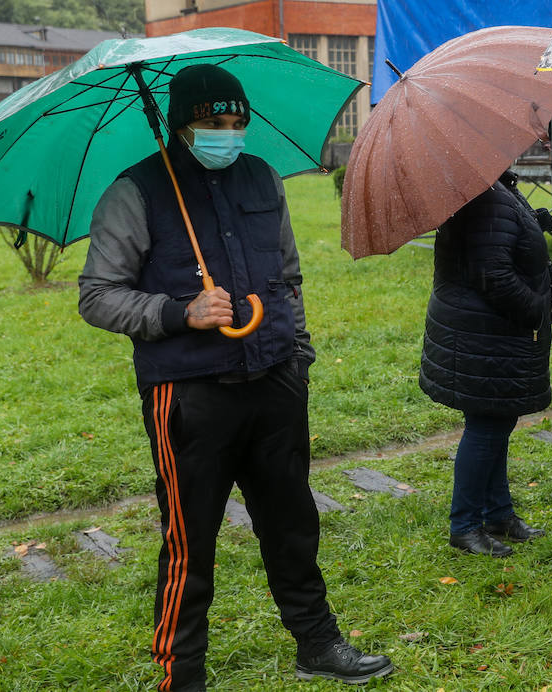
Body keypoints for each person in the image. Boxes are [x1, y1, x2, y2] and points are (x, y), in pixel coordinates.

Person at [78, 65, 392, 690]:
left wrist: (296, 354)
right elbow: (97, 295)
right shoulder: (135, 190)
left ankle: (317, 642)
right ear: (180, 125)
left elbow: (289, 276)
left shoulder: (262, 179)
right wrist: (177, 312)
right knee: (191, 537)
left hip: (274, 378)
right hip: (188, 394)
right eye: (212, 124)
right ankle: (181, 670)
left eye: (236, 123)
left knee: (292, 523)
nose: (228, 134)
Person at [419, 170, 552, 557]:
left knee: (495, 422)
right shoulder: (483, 194)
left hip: (483, 334)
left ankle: (498, 514)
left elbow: (498, 243)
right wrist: (536, 308)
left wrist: (534, 223)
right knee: (486, 427)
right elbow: (493, 274)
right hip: (485, 335)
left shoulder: (491, 186)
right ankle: (465, 525)